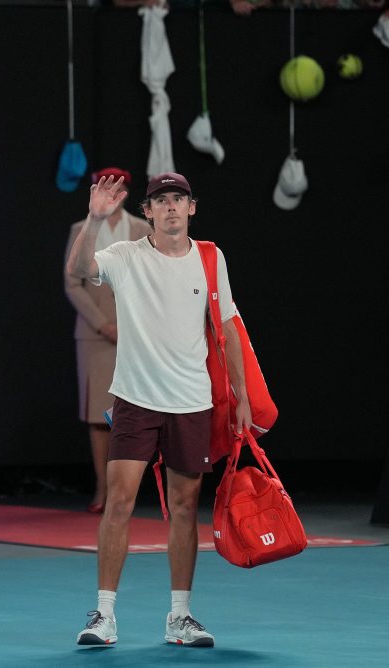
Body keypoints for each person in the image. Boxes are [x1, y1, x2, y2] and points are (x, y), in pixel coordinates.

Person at [66, 172, 251, 648]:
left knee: (186, 508)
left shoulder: (211, 258)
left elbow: (227, 327)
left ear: (192, 207)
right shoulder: (126, 257)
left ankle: (180, 617)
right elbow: (80, 268)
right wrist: (94, 217)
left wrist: (242, 398)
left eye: (179, 199)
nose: (171, 207)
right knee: (120, 501)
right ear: (147, 211)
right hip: (134, 400)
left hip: (191, 402)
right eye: (161, 201)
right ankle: (103, 615)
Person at [64, 167, 152, 514]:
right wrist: (103, 325)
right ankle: (103, 487)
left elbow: (150, 282)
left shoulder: (142, 229)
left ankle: (128, 488)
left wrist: (132, 324)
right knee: (99, 416)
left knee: (132, 412)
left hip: (134, 333)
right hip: (95, 336)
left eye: (118, 188)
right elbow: (73, 283)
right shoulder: (79, 229)